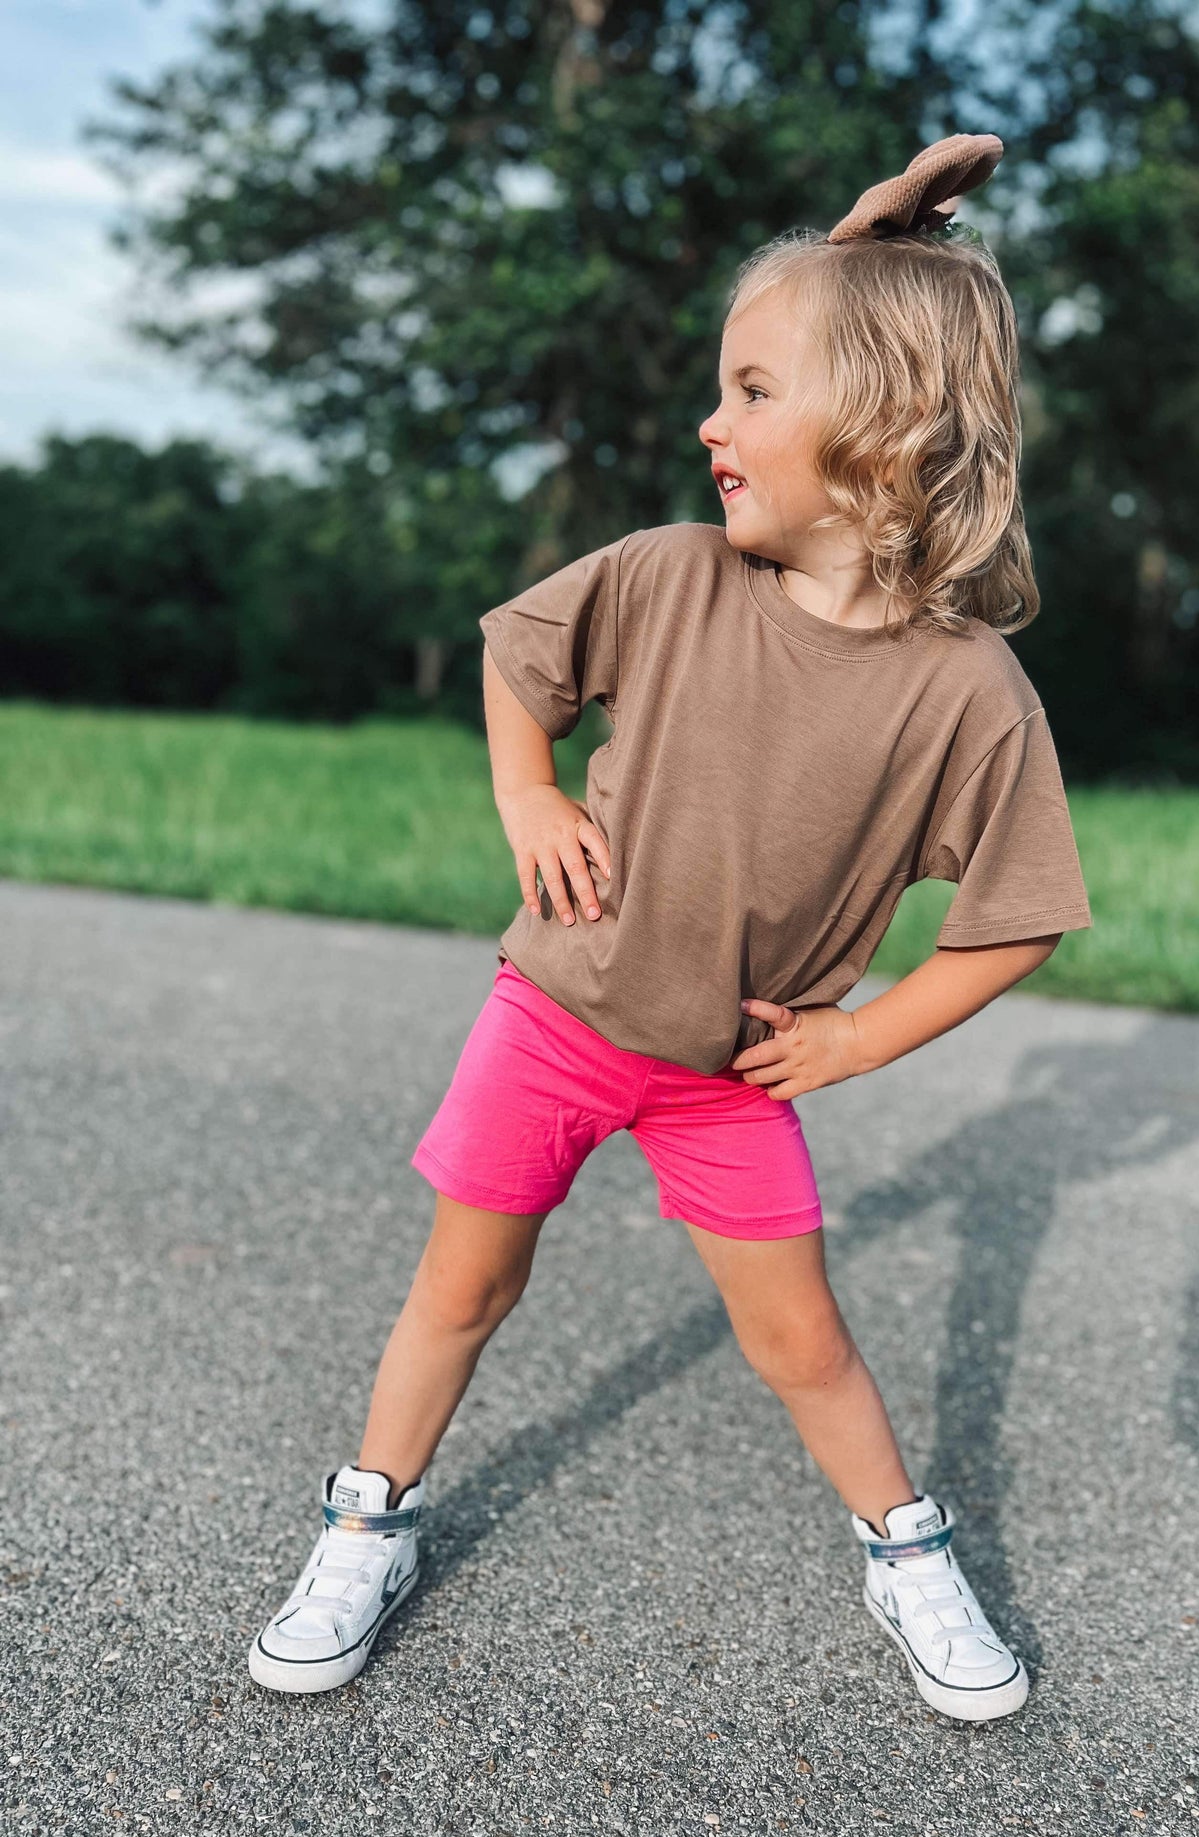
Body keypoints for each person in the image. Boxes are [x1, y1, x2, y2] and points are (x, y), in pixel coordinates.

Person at [248, 133, 1092, 1722]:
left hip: (727, 1072)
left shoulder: (965, 691)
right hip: (554, 1021)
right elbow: (519, 665)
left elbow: (1013, 921)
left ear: (888, 425)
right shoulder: (668, 576)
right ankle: (370, 1518)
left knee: (803, 1344)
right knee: (460, 1291)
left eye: (755, 390)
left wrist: (856, 1036)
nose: (711, 419)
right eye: (721, 387)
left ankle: (904, 1549)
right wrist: (527, 799)